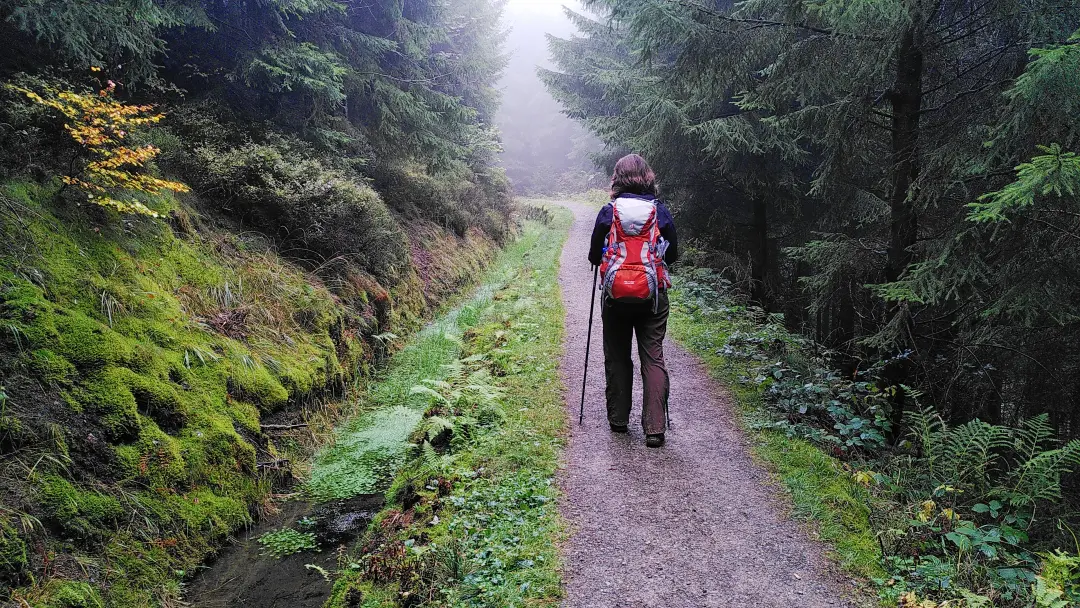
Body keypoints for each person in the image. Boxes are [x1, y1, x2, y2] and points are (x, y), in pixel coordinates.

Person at [588, 154, 678, 448]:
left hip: (615, 297)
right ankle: (655, 428)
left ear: (617, 178)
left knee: (617, 356)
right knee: (653, 357)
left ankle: (619, 419)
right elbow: (674, 254)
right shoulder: (659, 211)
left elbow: (593, 254)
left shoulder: (609, 211)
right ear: (647, 177)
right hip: (652, 297)